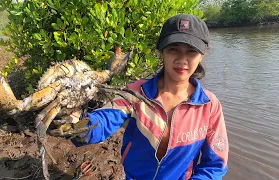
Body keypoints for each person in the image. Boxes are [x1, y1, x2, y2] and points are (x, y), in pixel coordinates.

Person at [72, 14, 228, 180]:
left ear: (202, 55)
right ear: (162, 50)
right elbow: (101, 123)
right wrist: (74, 124)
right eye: (173, 49)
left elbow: (215, 165)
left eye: (191, 51)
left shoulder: (209, 106)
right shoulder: (135, 93)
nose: (182, 60)